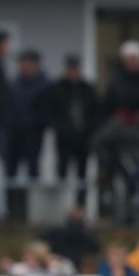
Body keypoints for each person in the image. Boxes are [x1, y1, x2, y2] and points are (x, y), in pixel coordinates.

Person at [46, 55, 99, 183]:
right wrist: (59, 127)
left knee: (82, 170)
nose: (73, 72)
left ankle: (80, 202)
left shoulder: (88, 88)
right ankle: (61, 200)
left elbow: (96, 111)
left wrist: (91, 129)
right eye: (70, 69)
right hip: (64, 137)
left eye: (75, 69)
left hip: (83, 137)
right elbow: (50, 111)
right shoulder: (57, 88)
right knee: (62, 169)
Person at [5, 50, 49, 179]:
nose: (24, 67)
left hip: (33, 134)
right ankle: (13, 199)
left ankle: (32, 199)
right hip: (14, 134)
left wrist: (36, 124)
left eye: (27, 63)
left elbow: (45, 110)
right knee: (11, 169)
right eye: (22, 63)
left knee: (33, 168)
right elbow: (8, 108)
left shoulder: (44, 85)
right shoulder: (14, 84)